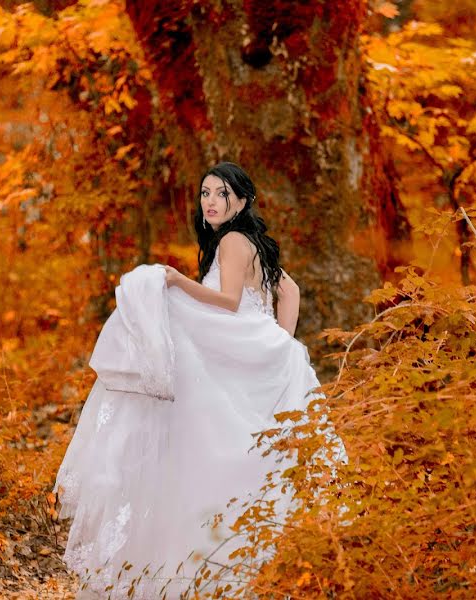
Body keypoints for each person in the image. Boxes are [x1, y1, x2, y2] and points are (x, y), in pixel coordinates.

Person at [54, 162, 346, 599]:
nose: (210, 201)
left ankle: (189, 566)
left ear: (242, 200)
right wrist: (280, 341)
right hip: (249, 347)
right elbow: (290, 290)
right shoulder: (254, 243)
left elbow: (228, 302)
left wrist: (177, 281)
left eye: (221, 194)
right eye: (205, 193)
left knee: (196, 434)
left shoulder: (231, 240)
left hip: (236, 343)